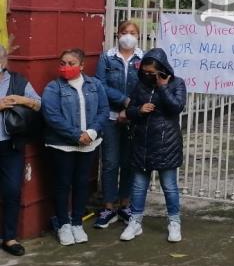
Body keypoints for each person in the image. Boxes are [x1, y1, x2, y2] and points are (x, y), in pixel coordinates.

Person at [42, 48, 109, 246]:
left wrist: (91, 133)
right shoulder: (53, 88)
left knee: (81, 183)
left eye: (71, 63)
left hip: (89, 142)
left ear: (81, 65)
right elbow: (51, 115)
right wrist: (76, 135)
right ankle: (64, 224)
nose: (65, 67)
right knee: (63, 184)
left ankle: (77, 222)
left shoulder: (95, 84)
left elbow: (103, 110)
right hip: (63, 145)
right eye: (62, 63)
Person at [120, 48, 186, 243]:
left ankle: (174, 222)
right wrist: (139, 110)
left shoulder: (177, 83)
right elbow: (129, 111)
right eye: (146, 72)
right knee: (139, 186)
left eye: (152, 72)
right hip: (142, 142)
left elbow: (176, 107)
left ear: (162, 69)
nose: (149, 75)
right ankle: (135, 221)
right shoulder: (140, 86)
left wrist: (163, 87)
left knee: (169, 187)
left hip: (167, 143)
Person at [94, 20, 143, 228]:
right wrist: (124, 101)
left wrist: (130, 110)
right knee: (111, 162)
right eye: (124, 32)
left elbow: (146, 86)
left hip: (133, 118)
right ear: (117, 34)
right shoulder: (106, 58)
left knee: (129, 162)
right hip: (111, 117)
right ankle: (108, 206)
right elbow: (99, 84)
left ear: (138, 36)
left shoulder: (143, 58)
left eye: (132, 32)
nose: (128, 36)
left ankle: (125, 203)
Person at [0, 45, 42, 256]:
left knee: (12, 190)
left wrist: (20, 99)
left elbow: (39, 104)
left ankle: (9, 237)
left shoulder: (18, 81)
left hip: (11, 144)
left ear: (5, 60)